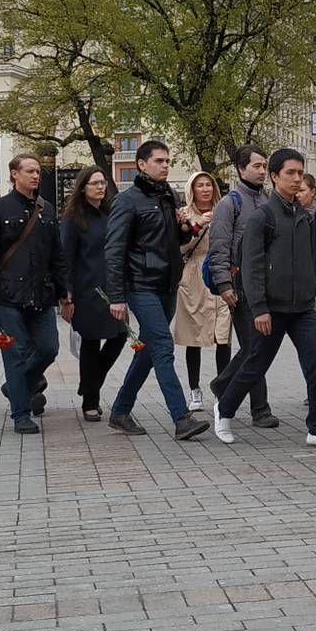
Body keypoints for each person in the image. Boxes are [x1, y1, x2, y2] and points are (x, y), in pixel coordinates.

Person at [212, 147, 316, 446]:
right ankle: (223, 410)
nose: (296, 179)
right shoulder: (262, 216)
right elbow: (251, 267)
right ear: (275, 177)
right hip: (271, 309)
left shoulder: (305, 216)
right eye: (289, 173)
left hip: (303, 307)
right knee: (255, 365)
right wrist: (259, 308)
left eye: (300, 173)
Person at [100, 141, 207, 439]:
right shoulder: (127, 201)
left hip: (168, 284)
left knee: (148, 351)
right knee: (162, 346)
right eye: (159, 160)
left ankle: (120, 411)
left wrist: (185, 227)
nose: (165, 165)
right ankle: (181, 417)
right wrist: (117, 295)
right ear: (141, 164)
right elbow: (114, 249)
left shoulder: (169, 197)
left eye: (168, 161)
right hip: (140, 285)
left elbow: (175, 240)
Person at [0, 156, 69, 433]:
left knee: (49, 348)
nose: (35, 176)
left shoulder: (47, 210)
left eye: (38, 171)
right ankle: (21, 414)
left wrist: (65, 293)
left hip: (41, 294)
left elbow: (57, 255)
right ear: (14, 174)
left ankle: (15, 387)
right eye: (29, 171)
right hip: (8, 295)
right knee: (15, 355)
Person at [206, 146, 280, 429]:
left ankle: (222, 383)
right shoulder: (230, 203)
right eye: (257, 166)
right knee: (255, 346)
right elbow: (219, 246)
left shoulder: (267, 200)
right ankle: (259, 409)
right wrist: (225, 284)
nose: (263, 171)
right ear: (241, 169)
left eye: (265, 166)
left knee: (257, 346)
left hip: (264, 283)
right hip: (239, 284)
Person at [54, 167, 122, 421]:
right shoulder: (73, 218)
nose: (100, 187)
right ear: (83, 187)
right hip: (86, 289)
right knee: (91, 343)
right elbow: (66, 257)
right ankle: (90, 402)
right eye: (94, 183)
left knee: (120, 336)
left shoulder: (110, 213)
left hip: (112, 287)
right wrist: (66, 293)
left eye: (103, 183)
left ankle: (90, 384)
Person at [172, 170, 230, 411]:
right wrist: (198, 225)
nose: (205, 189)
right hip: (194, 277)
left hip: (220, 275)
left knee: (223, 336)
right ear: (192, 190)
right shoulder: (184, 214)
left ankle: (222, 389)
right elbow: (180, 249)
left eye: (209, 185)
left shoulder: (225, 210)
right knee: (193, 336)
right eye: (200, 185)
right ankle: (194, 390)